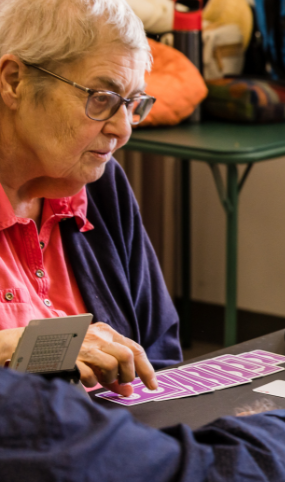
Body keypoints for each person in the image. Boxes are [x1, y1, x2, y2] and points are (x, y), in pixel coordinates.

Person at [0, 0, 181, 395]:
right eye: (101, 98)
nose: (122, 129)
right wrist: (21, 346)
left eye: (132, 104)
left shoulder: (101, 183)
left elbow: (160, 351)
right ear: (14, 80)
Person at [0, 366, 285, 482]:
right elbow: (252, 478)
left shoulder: (106, 210)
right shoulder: (28, 411)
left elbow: (159, 353)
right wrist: (284, 425)